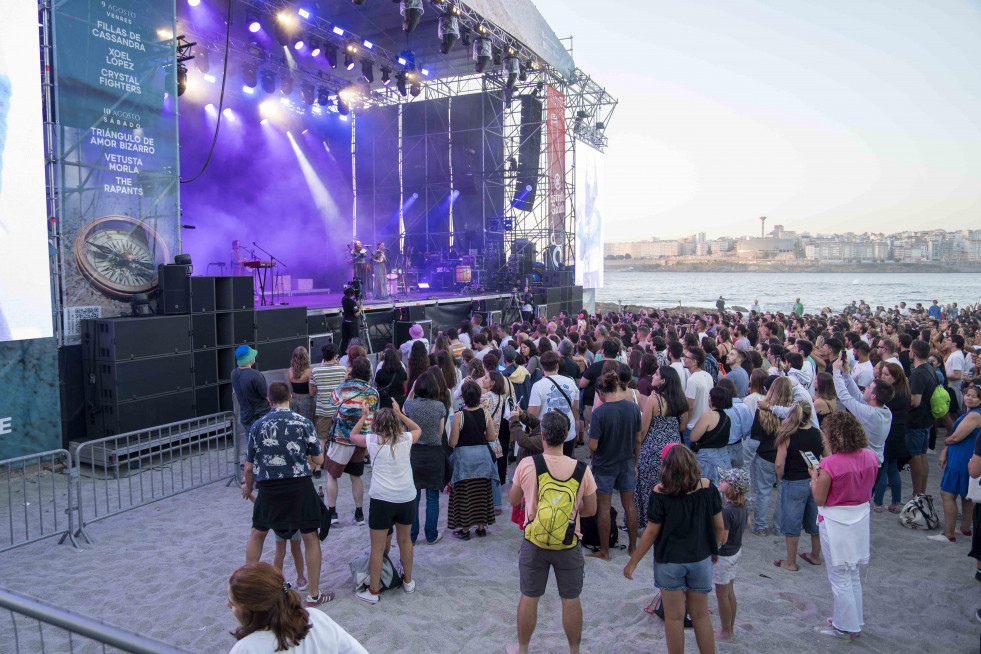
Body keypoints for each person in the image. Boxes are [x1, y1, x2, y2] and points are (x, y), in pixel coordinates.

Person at [508, 411, 598, 654]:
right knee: (570, 599)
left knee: (529, 596)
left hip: (534, 540)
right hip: (568, 542)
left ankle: (523, 648)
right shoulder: (582, 470)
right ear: (566, 435)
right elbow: (590, 510)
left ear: (543, 436)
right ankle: (574, 650)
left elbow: (513, 499)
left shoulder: (528, 465)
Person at [623, 445, 724, 654]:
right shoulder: (707, 487)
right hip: (700, 558)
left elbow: (651, 533)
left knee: (674, 618)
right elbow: (719, 527)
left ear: (666, 468)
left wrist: (633, 562)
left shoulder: (660, 492)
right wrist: (714, 549)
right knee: (701, 616)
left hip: (669, 561)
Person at [242, 382, 331, 607]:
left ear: (269, 401)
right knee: (310, 537)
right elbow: (319, 460)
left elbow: (249, 467)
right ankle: (313, 594)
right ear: (290, 398)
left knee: (257, 533)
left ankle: (247, 588)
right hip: (299, 487)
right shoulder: (304, 423)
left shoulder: (257, 426)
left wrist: (249, 487)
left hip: (269, 488)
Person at [807, 411, 880, 642]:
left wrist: (813, 478)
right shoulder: (870, 456)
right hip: (859, 517)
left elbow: (819, 498)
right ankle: (853, 621)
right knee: (852, 573)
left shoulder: (829, 464)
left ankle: (844, 627)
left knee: (839, 576)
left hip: (836, 521)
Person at [348, 403, 422, 603]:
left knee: (377, 548)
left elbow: (352, 436)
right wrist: (400, 414)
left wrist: (363, 417)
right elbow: (417, 429)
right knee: (405, 541)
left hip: (381, 499)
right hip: (406, 497)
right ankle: (407, 581)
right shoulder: (406, 439)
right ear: (396, 424)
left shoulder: (372, 440)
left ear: (376, 425)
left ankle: (373, 591)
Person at [227, 562, 366, 654]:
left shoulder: (246, 649)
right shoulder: (315, 618)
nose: (228, 606)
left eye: (232, 603)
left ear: (252, 609)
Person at [587, 371, 642, 560]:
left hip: (605, 465)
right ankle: (633, 547)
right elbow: (638, 440)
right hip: (626, 461)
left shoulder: (600, 412)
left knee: (603, 507)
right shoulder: (632, 408)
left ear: (601, 392)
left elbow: (593, 445)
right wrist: (635, 462)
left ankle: (605, 551)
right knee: (630, 505)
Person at [324, 357, 379, 527]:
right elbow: (374, 414)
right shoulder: (373, 392)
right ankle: (359, 514)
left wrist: (345, 380)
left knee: (332, 475)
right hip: (361, 440)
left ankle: (332, 513)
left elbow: (331, 401)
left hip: (341, 438)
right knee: (356, 477)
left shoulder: (344, 387)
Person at [773, 401, 826, 572]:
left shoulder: (787, 435)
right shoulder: (818, 434)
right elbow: (829, 457)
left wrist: (781, 478)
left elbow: (779, 464)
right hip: (814, 480)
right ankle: (815, 556)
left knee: (792, 523)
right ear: (810, 416)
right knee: (815, 521)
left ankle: (790, 562)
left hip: (794, 481)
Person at [636, 366, 688, 521]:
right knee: (672, 486)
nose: (653, 375)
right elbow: (683, 427)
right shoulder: (681, 400)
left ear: (663, 380)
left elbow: (643, 430)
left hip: (653, 449)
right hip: (675, 449)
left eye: (656, 374)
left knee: (648, 486)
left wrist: (638, 448)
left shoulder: (654, 399)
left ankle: (649, 519)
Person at [448, 380, 497, 539]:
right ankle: (481, 528)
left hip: (464, 460)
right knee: (481, 493)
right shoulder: (485, 413)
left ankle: (465, 530)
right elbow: (490, 437)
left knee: (465, 494)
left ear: (463, 397)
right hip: (482, 458)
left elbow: (453, 442)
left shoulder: (459, 416)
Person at [932, 384, 981, 543]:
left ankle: (949, 534)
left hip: (961, 458)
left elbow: (955, 437)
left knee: (947, 493)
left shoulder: (975, 415)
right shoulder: (972, 413)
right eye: (968, 394)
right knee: (966, 495)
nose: (969, 398)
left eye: (974, 396)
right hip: (965, 456)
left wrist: (946, 444)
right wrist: (947, 448)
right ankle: (965, 529)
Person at [404, 371, 447, 544]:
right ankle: (431, 534)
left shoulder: (410, 405)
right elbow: (441, 431)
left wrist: (413, 388)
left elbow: (403, 409)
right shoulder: (439, 406)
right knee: (432, 496)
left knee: (414, 496)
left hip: (414, 453)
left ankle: (412, 536)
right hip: (434, 453)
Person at [714, 468, 750, 644]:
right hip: (737, 551)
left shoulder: (727, 511)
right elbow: (748, 524)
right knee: (729, 592)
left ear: (733, 488)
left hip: (725, 556)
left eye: (725, 480)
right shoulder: (742, 505)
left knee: (722, 596)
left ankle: (725, 632)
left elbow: (723, 539)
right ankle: (730, 629)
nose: (721, 480)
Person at [873, 363, 911, 513]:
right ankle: (895, 502)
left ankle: (878, 503)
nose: (882, 376)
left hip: (889, 434)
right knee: (893, 469)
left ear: (895, 378)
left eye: (886, 374)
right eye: (882, 373)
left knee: (884, 468)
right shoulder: (904, 392)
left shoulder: (892, 397)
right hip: (898, 434)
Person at [528, 351, 579, 457]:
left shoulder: (538, 386)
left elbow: (532, 414)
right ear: (557, 365)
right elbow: (576, 408)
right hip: (568, 432)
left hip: (547, 435)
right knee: (566, 465)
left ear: (541, 366)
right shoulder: (570, 381)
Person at [907, 340, 937, 497]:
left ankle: (916, 494)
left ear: (914, 353)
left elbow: (914, 401)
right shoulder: (930, 369)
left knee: (915, 458)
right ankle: (921, 493)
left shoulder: (918, 373)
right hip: (926, 420)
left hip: (916, 421)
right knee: (922, 456)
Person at [310, 343, 346, 477]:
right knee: (340, 437)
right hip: (339, 410)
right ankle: (339, 464)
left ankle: (318, 467)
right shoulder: (343, 370)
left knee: (321, 437)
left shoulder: (315, 371)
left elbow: (312, 392)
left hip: (324, 410)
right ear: (336, 356)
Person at [688, 386, 733, 485]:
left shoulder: (708, 416)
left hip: (707, 460)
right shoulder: (727, 418)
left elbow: (693, 437)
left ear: (712, 399)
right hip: (723, 458)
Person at [231, 345, 270, 440]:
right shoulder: (255, 375)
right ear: (249, 359)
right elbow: (266, 395)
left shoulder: (234, 373)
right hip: (259, 416)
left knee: (251, 446)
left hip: (245, 416)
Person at [684, 347, 714, 444]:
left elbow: (690, 406)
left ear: (694, 362)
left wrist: (684, 423)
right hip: (704, 425)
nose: (684, 359)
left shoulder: (692, 380)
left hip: (692, 426)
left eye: (686, 357)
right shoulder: (707, 375)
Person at [288, 347, 317, 424]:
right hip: (306, 402)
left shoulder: (290, 371)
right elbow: (311, 393)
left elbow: (291, 390)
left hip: (294, 401)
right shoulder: (309, 372)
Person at [339, 287, 360, 354]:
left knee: (345, 340)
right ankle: (354, 353)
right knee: (354, 340)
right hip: (352, 324)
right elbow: (356, 314)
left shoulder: (343, 299)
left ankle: (342, 354)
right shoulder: (352, 303)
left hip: (345, 322)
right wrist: (360, 309)